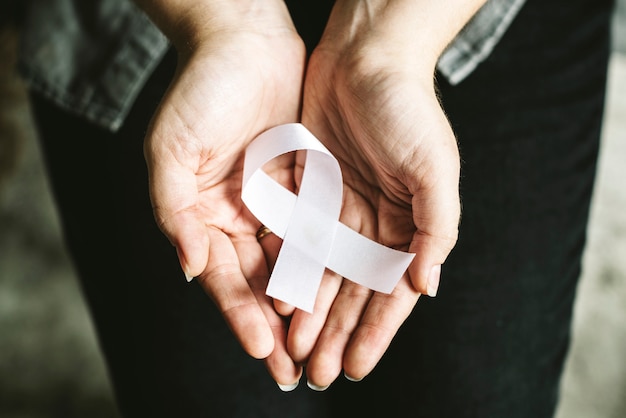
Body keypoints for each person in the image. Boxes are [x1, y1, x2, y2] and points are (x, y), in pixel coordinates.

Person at [17, 0, 614, 416]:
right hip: (146, 25)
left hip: (470, 17)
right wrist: (224, 22)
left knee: (479, 395)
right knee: (209, 400)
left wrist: (392, 37)